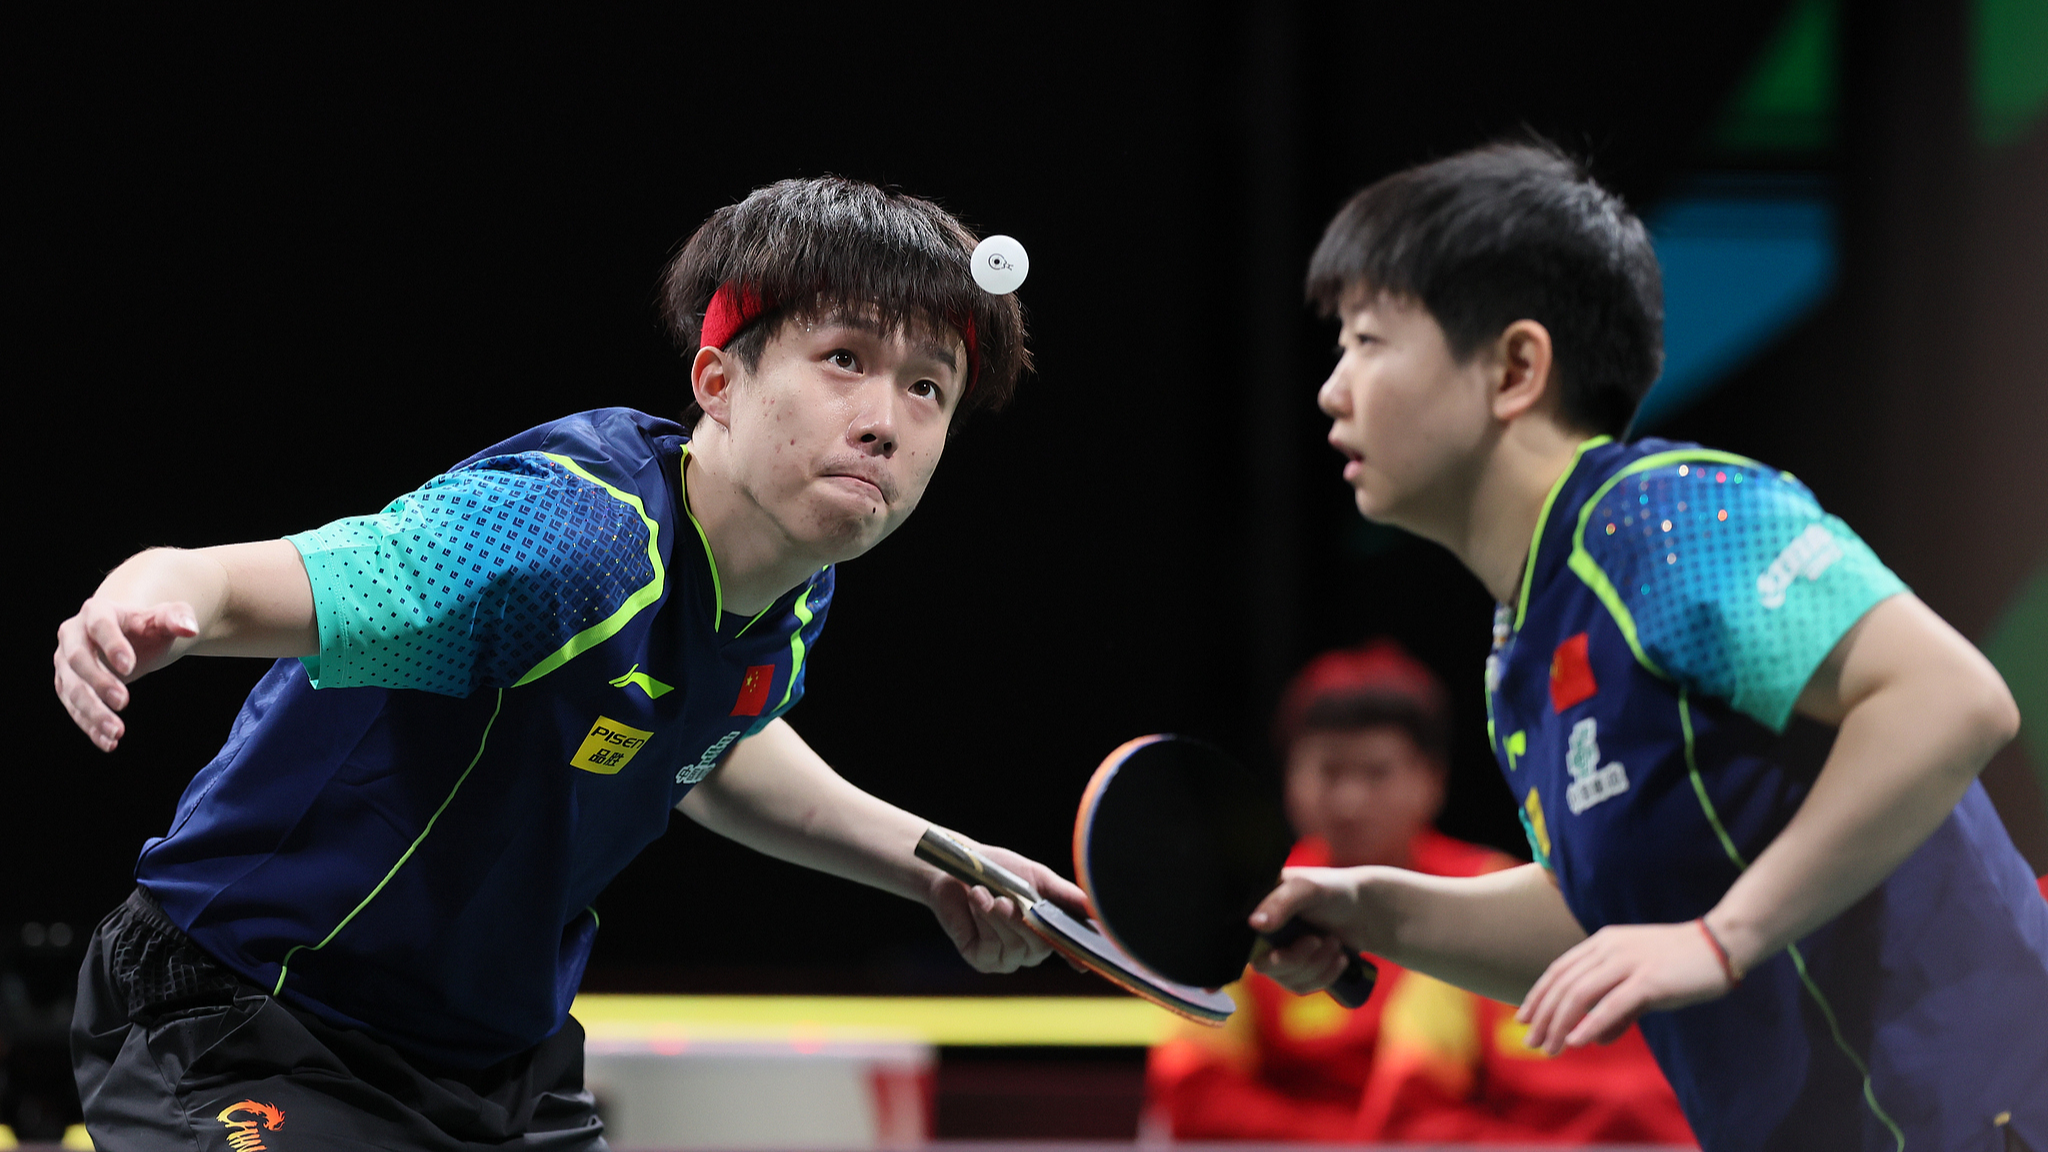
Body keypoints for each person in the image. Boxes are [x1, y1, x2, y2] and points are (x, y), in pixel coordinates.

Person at [50, 176, 1087, 1150]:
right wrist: (151, 596)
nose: (882, 422)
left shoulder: (793, 593)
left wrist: (939, 864)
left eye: (927, 389)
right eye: (844, 359)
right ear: (717, 381)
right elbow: (267, 579)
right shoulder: (570, 538)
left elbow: (711, 741)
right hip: (248, 1009)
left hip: (493, 1066)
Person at [1249, 143, 2048, 1151]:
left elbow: (1948, 698)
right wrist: (1371, 908)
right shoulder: (1522, 650)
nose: (1331, 389)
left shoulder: (1658, 516)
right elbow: (1606, 920)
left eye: (1366, 341)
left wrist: (1726, 938)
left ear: (1513, 368)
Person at [1147, 640, 1692, 1144]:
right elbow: (1190, 1097)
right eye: (1329, 772)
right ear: (1289, 775)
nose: (1350, 801)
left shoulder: (1494, 889)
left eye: (1376, 773)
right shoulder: (1241, 909)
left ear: (1433, 778)